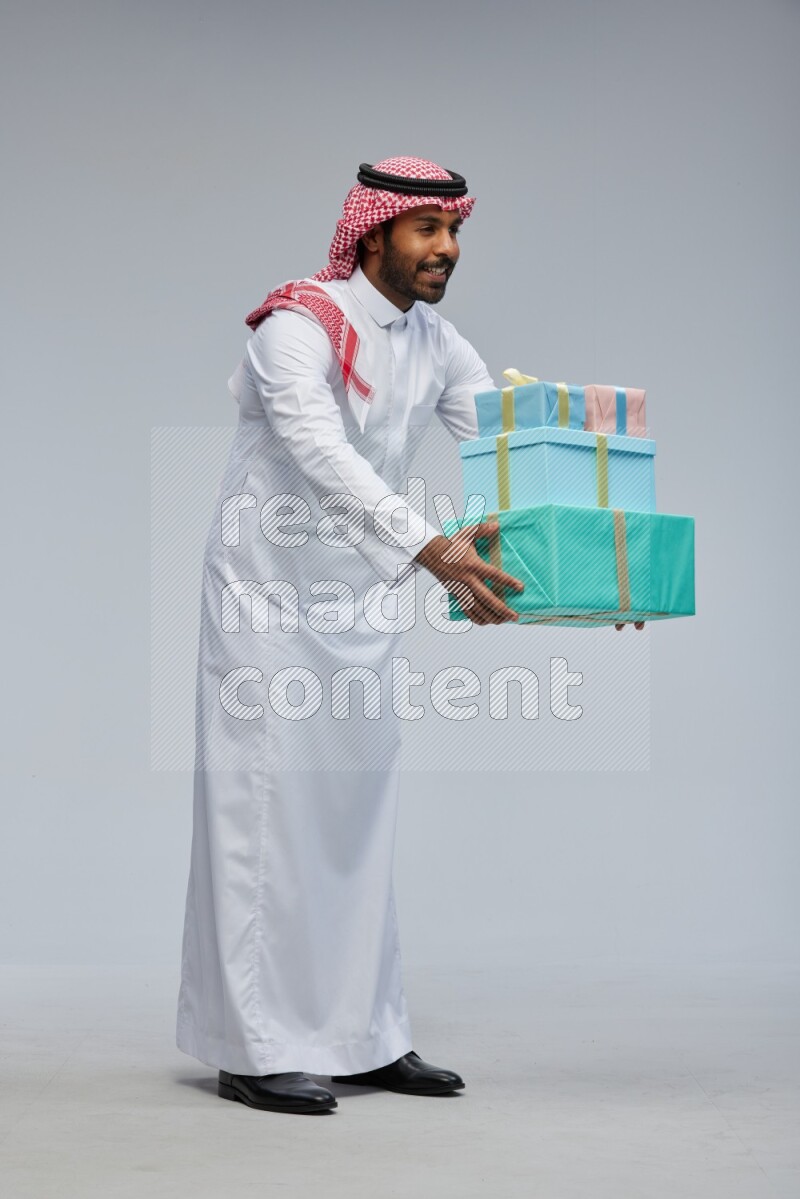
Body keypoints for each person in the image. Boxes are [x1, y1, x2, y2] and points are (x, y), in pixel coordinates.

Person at [175, 156, 525, 1115]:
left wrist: (578, 568)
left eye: (454, 230)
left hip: (364, 601)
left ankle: (364, 1037)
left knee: (354, 816)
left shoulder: (435, 339)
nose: (447, 249)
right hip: (268, 602)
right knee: (265, 817)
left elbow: (501, 436)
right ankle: (249, 1045)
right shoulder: (298, 326)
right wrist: (432, 549)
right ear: (371, 234)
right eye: (426, 230)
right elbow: (318, 450)